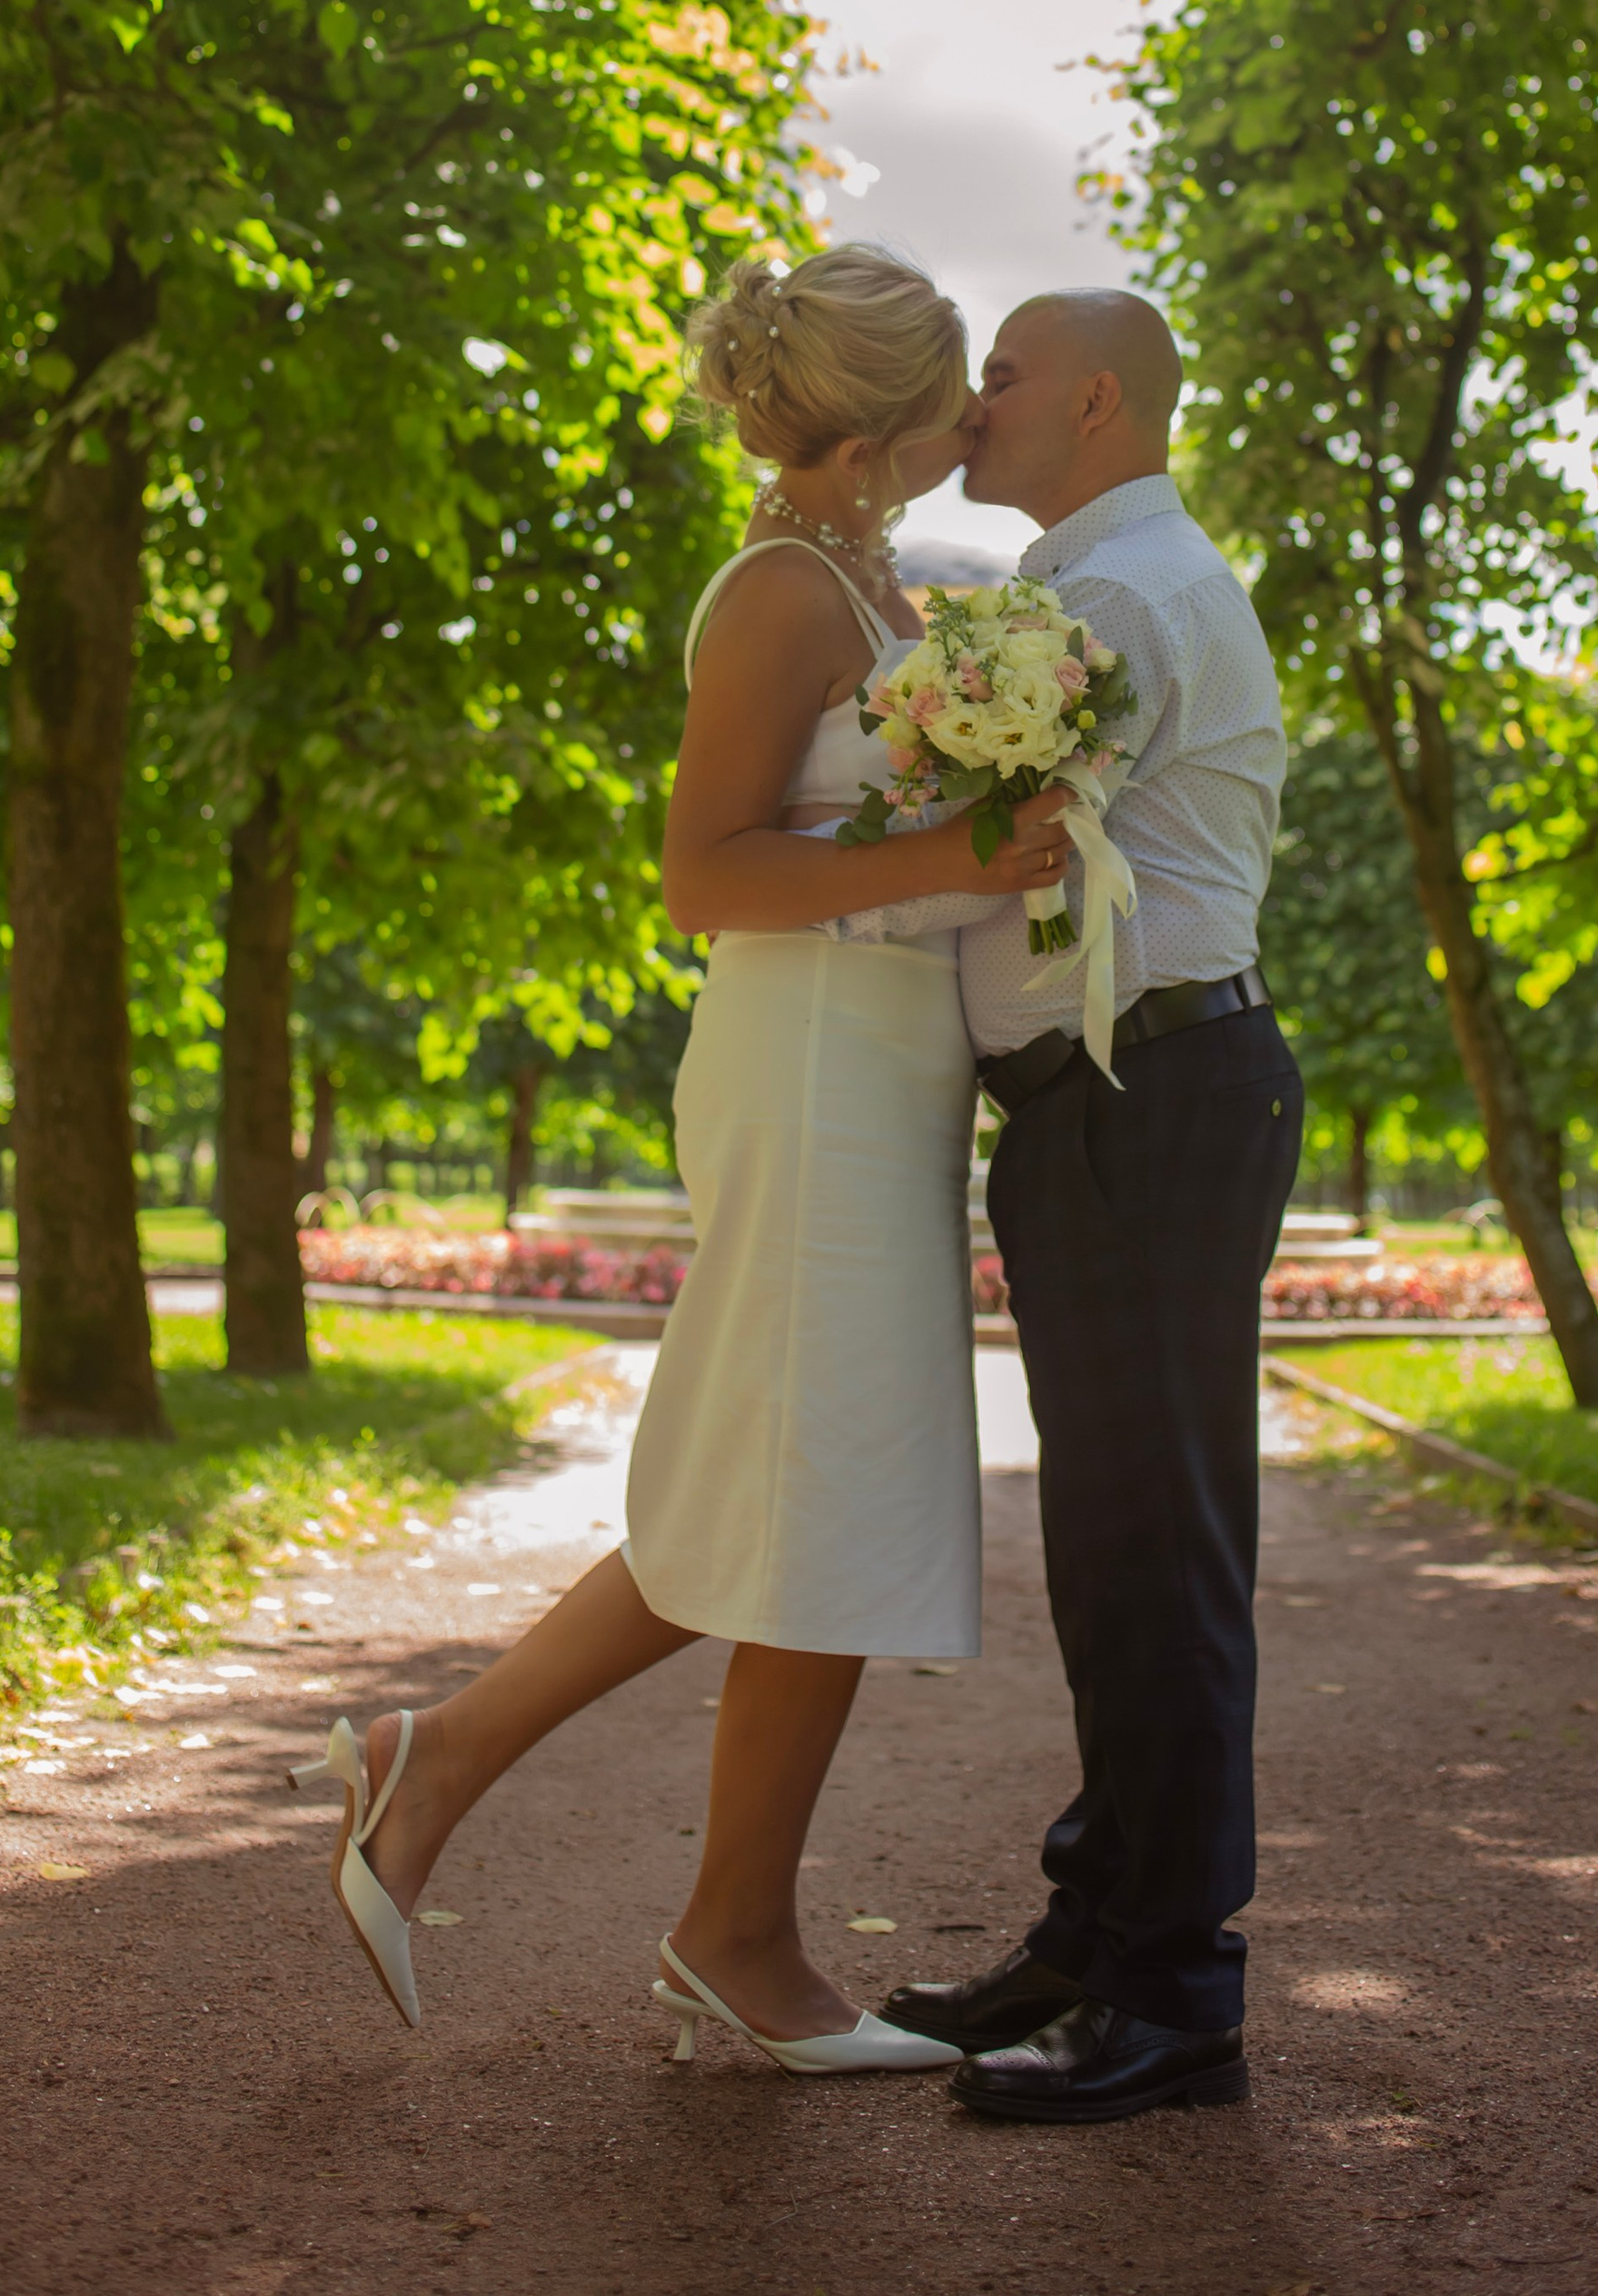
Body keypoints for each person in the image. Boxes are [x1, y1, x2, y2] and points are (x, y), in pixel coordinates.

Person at [290, 244, 1075, 2073]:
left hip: (879, 1065)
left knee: (817, 1491)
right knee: (820, 1485)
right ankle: (589, 1848)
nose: (974, 420)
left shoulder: (877, 583)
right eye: (954, 394)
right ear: (874, 434)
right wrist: (957, 854)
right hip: (805, 1066)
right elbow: (701, 875)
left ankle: (656, 1885)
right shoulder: (780, 594)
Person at [882, 289, 1301, 2128]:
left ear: (1099, 400)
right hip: (1123, 1102)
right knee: (1114, 1545)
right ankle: (1095, 1932)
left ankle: (1172, 1991)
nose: (975, 405)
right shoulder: (1099, 580)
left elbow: (956, 849)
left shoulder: (1119, 601)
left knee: (1154, 1552)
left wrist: (795, 853)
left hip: (1151, 1097)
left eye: (1003, 377)